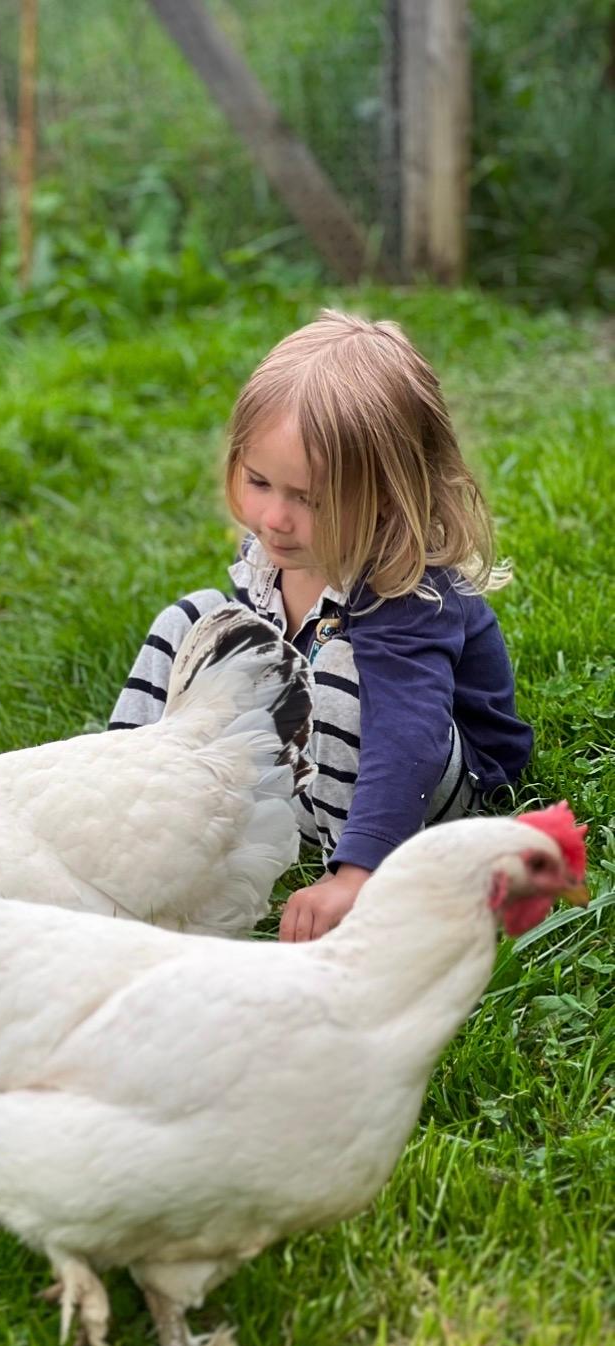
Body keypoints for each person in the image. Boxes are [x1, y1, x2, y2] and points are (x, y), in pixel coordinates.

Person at [110, 309, 533, 942]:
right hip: (315, 768)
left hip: (427, 796)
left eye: (309, 499)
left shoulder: (405, 591)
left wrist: (357, 873)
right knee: (196, 620)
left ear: (388, 496)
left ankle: (357, 877)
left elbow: (407, 738)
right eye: (259, 482)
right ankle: (123, 805)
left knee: (339, 660)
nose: (275, 517)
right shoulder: (279, 560)